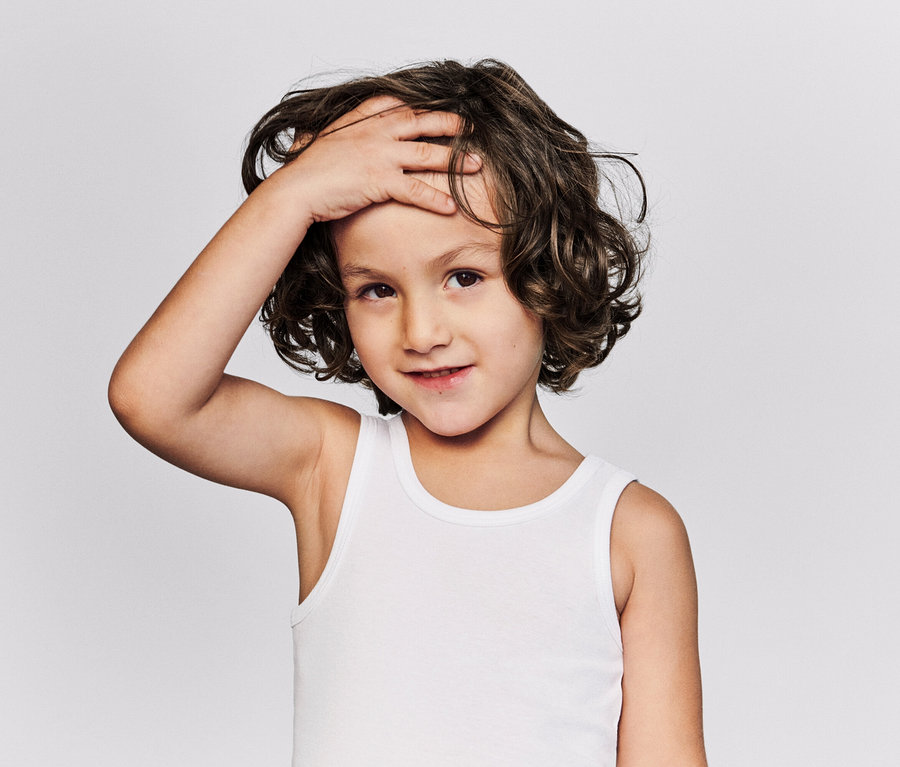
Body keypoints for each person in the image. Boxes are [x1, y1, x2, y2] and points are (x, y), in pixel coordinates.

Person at [109, 59, 707, 766]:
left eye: (464, 276)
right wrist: (294, 194)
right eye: (377, 289)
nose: (422, 332)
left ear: (545, 268)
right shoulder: (334, 467)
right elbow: (152, 396)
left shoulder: (631, 530)